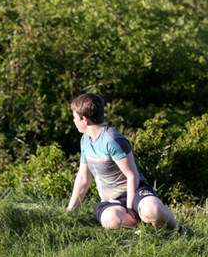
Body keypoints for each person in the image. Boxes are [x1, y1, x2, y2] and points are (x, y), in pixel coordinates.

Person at [66, 93, 182, 231]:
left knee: (153, 210)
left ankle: (178, 229)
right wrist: (69, 213)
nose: (73, 121)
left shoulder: (112, 140)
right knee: (112, 221)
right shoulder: (85, 140)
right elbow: (84, 178)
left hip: (137, 191)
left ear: (84, 119)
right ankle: (144, 227)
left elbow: (132, 175)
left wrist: (129, 207)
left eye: (74, 117)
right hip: (112, 201)